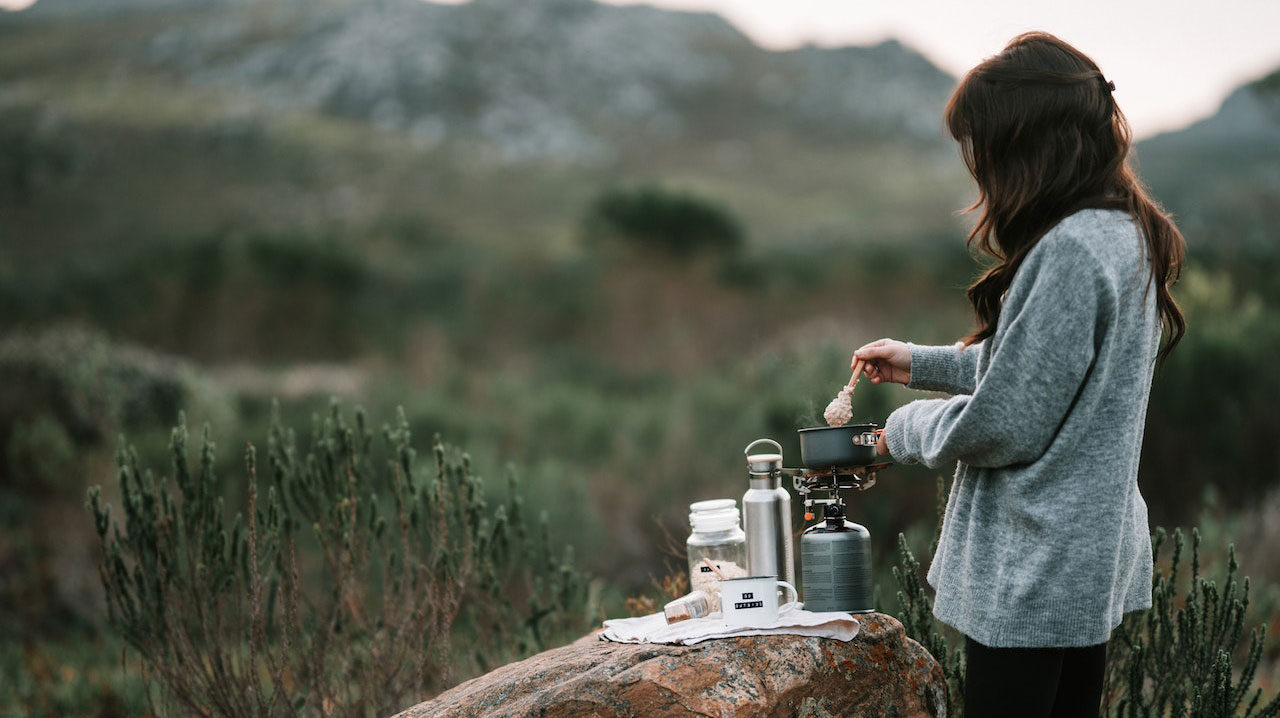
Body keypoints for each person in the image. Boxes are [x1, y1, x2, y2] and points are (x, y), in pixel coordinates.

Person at [854, 32, 1186, 717]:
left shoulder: (1068, 250)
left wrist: (901, 430)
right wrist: (921, 364)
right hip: (1084, 559)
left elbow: (1008, 421)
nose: (980, 167)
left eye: (985, 146)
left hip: (1034, 564)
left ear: (1027, 144)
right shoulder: (1125, 232)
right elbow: (1047, 373)